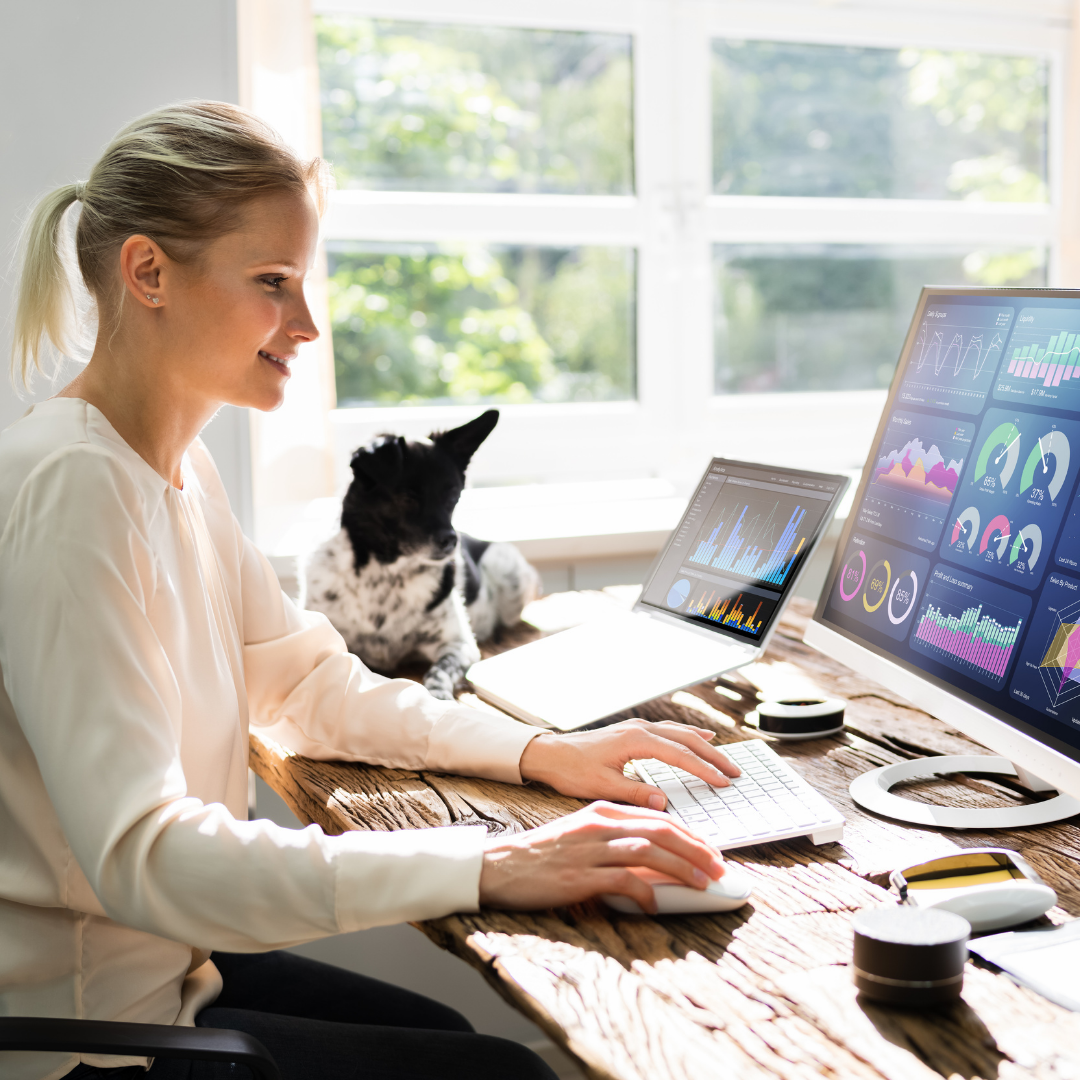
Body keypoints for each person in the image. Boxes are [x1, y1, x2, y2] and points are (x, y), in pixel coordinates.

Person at [0, 101, 739, 1080]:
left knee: (464, 1044)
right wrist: (491, 863)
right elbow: (147, 855)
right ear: (147, 273)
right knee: (502, 1072)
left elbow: (307, 689)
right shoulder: (72, 486)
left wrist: (539, 754)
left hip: (171, 973)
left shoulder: (170, 469)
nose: (306, 325)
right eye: (273, 284)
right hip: (89, 1033)